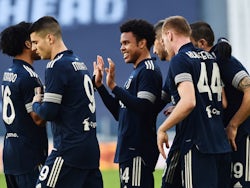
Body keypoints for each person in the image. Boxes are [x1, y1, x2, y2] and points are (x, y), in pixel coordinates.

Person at [157, 16, 232, 188]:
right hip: (220, 144)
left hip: (198, 145)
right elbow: (223, 102)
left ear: (169, 35)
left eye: (163, 40)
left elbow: (189, 102)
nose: (165, 46)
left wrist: (162, 128)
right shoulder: (210, 58)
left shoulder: (180, 60)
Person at [29, 16, 103, 188]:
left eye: (35, 42)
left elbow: (49, 112)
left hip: (68, 151)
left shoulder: (56, 66)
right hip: (90, 150)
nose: (33, 48)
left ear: (50, 38)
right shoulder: (79, 63)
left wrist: (35, 103)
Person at [93, 19, 162, 188]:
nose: (122, 48)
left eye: (126, 43)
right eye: (121, 43)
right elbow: (119, 112)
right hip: (128, 152)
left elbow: (144, 107)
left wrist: (114, 87)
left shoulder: (148, 71)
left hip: (138, 151)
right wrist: (101, 87)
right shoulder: (137, 72)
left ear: (142, 43)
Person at [190, 21, 250, 188]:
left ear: (202, 43)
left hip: (241, 135)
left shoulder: (222, 59)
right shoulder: (208, 65)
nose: (189, 52)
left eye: (192, 46)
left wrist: (233, 125)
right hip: (224, 140)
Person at [0, 22, 48, 188]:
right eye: (35, 40)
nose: (39, 44)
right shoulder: (29, 77)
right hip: (29, 157)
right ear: (28, 44)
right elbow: (38, 119)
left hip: (10, 154)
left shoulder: (9, 73)